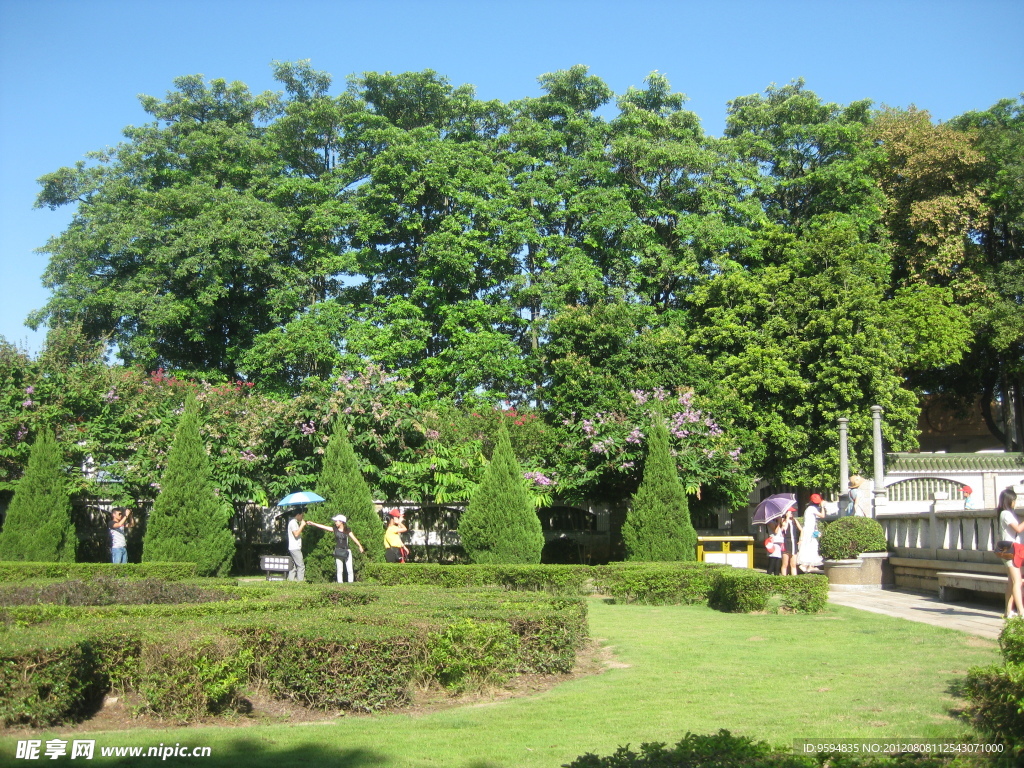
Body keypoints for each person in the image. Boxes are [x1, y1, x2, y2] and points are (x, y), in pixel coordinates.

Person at [307, 514, 365, 583]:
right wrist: (313, 524)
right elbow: (324, 527)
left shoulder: (347, 530)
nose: (335, 522)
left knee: (350, 570)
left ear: (341, 522)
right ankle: (340, 585)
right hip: (338, 550)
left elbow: (354, 538)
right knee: (339, 570)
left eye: (337, 521)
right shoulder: (335, 529)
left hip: (347, 551)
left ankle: (351, 585)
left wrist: (360, 546)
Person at [997, 488, 1024, 619]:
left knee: (1011, 582)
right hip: (1010, 551)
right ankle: (1021, 612)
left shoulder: (1005, 513)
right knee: (1017, 581)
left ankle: (1008, 611)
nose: (1015, 502)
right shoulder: (1006, 514)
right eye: (1014, 500)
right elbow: (1018, 528)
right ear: (1009, 500)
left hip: (1009, 550)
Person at [796, 493, 826, 573]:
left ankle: (810, 565)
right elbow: (823, 515)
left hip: (810, 530)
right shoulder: (812, 508)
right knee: (811, 547)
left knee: (811, 547)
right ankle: (805, 565)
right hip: (809, 531)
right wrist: (823, 506)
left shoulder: (809, 508)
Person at [286, 509, 308, 581]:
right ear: (298, 515)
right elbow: (296, 534)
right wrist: (302, 525)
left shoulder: (294, 522)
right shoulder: (293, 523)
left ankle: (290, 581)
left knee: (293, 567)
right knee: (301, 566)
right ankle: (300, 583)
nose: (302, 517)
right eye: (302, 515)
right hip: (295, 548)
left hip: (293, 547)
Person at [781, 506, 802, 575]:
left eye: (792, 512)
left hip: (794, 542)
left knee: (793, 564)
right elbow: (784, 529)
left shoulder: (794, 520)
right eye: (790, 512)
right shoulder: (783, 520)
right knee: (785, 564)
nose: (791, 514)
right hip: (786, 542)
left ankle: (794, 579)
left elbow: (801, 530)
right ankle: (783, 578)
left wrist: (800, 539)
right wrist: (787, 518)